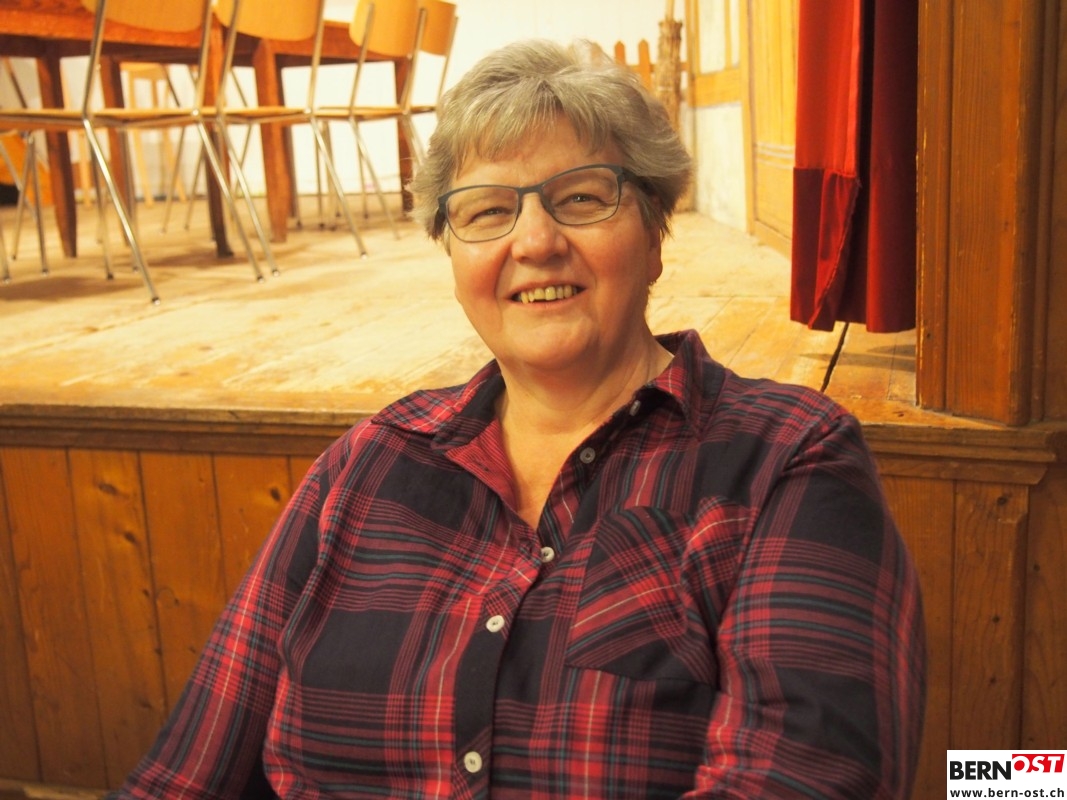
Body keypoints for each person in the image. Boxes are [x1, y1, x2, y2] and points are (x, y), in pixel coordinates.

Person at [109, 39, 925, 800]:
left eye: (581, 198)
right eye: (487, 211)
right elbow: (187, 771)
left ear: (655, 236)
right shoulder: (371, 460)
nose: (534, 241)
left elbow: (799, 776)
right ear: (452, 254)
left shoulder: (786, 459)